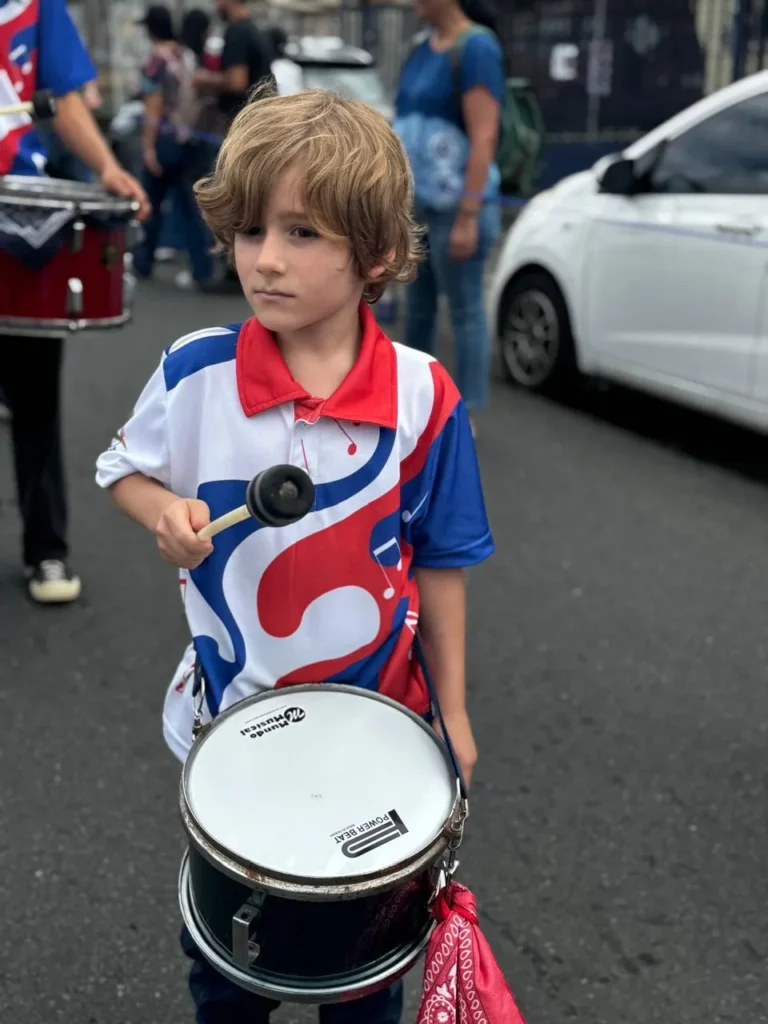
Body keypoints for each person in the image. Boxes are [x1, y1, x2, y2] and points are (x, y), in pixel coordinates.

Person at [95, 85, 493, 1023]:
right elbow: (122, 466)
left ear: (379, 255)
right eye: (249, 231)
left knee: (364, 974)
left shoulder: (422, 395)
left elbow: (441, 560)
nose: (264, 260)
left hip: (376, 728)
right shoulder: (197, 372)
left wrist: (457, 713)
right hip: (230, 722)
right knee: (230, 968)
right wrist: (161, 511)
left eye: (303, 233)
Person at [0, 0, 147, 604]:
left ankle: (47, 550)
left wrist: (108, 168)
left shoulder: (34, 7)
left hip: (16, 210)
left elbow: (59, 98)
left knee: (34, 392)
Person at [394, 0, 504, 432]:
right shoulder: (422, 47)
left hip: (456, 208)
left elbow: (485, 134)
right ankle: (416, 404)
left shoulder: (476, 47)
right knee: (417, 307)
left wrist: (469, 214)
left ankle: (465, 412)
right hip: (418, 207)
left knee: (464, 308)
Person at [132, 5, 218, 290]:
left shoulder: (155, 61)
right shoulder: (188, 56)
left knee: (150, 204)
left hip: (165, 140)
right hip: (191, 139)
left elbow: (153, 106)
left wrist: (147, 147)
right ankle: (202, 269)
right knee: (191, 207)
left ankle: (142, 263)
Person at [194, 0, 273, 125]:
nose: (216, 5)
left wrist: (204, 79)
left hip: (244, 122)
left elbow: (236, 82)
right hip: (259, 119)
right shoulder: (252, 29)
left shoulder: (237, 31)